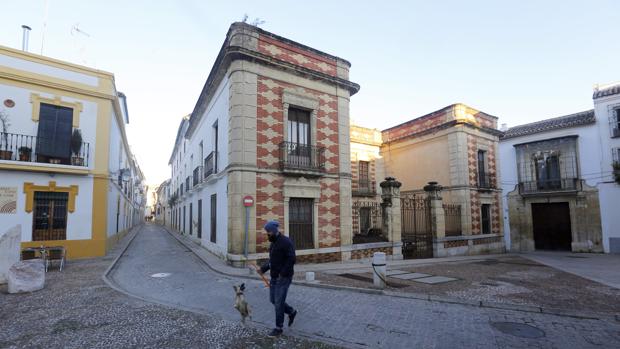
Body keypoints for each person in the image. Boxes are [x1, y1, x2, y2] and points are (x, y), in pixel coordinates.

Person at [259, 220, 298, 337]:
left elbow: (292, 259)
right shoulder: (273, 243)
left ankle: (278, 328)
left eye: (269, 232)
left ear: (275, 231)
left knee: (279, 303)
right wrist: (263, 269)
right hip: (274, 277)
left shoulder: (286, 242)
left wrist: (283, 273)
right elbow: (272, 261)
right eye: (266, 232)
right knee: (273, 300)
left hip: (284, 278)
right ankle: (291, 312)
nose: (267, 235)